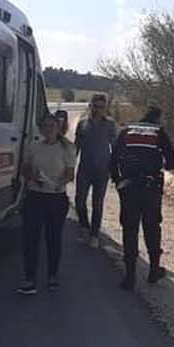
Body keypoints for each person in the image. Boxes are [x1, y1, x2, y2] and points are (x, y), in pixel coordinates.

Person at [109, 104, 174, 290]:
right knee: (152, 228)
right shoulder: (158, 133)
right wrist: (158, 162)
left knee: (129, 231)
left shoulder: (127, 131)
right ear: (158, 118)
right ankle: (154, 270)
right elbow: (173, 162)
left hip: (129, 188)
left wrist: (119, 182)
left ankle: (130, 276)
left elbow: (113, 159)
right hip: (151, 189)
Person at [18, 110, 75, 294]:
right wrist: (32, 176)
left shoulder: (67, 148)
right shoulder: (33, 147)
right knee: (30, 239)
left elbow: (70, 173)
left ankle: (52, 275)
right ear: (41, 129)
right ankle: (29, 279)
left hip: (56, 199)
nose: (48, 129)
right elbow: (24, 169)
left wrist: (60, 183)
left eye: (52, 126)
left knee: (53, 239)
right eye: (45, 126)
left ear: (58, 128)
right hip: (35, 197)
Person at [73, 93, 118, 246]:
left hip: (102, 170)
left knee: (97, 203)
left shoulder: (110, 124)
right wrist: (70, 165)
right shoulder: (82, 124)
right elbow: (76, 147)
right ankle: (84, 226)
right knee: (79, 200)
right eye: (96, 106)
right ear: (90, 106)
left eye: (102, 107)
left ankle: (94, 234)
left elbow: (115, 148)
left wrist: (115, 169)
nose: (99, 110)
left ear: (105, 108)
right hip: (85, 168)